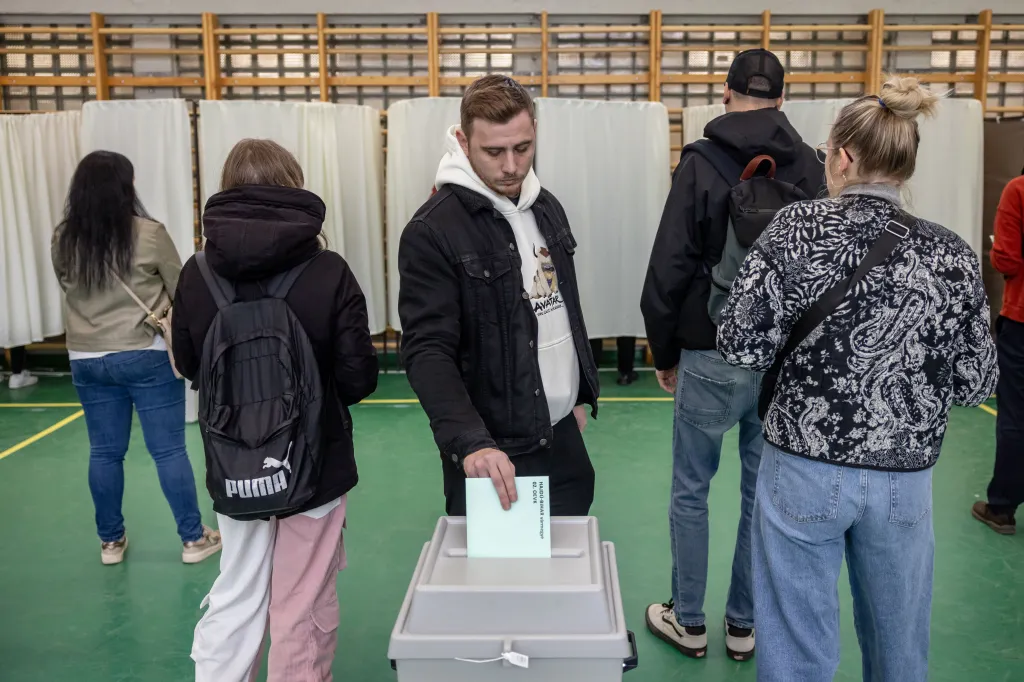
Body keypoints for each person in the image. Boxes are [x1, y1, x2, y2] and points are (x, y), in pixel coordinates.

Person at [717, 76, 998, 681]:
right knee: (899, 648)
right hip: (904, 478)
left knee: (796, 649)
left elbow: (739, 342)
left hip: (802, 464)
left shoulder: (794, 231)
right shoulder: (950, 254)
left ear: (842, 157)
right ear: (905, 162)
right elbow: (976, 382)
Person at [640, 48, 823, 661]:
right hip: (780, 359)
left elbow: (669, 265)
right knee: (759, 493)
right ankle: (744, 624)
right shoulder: (813, 166)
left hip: (710, 349)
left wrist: (665, 351)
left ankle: (687, 620)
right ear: (780, 99)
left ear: (725, 94)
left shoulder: (701, 162)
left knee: (692, 489)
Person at [175, 139, 378, 682]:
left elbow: (192, 366)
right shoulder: (329, 270)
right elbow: (359, 379)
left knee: (235, 589)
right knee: (301, 599)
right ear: (294, 184)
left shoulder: (197, 273)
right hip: (316, 465)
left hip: (235, 463)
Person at [398, 75, 599, 516]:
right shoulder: (433, 231)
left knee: (565, 576)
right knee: (503, 583)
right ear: (464, 143)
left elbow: (561, 310)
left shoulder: (545, 205)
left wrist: (575, 396)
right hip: (495, 454)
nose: (511, 165)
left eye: (522, 148)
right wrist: (471, 442)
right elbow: (427, 351)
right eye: (494, 152)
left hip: (562, 438)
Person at [50, 150, 221, 566]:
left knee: (104, 452)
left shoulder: (63, 238)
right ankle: (193, 539)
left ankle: (110, 542)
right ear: (125, 187)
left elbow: (66, 285)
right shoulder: (148, 233)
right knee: (168, 451)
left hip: (86, 357)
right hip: (145, 353)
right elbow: (183, 286)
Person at [973, 168, 1024, 534]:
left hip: (1022, 321)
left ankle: (1002, 508)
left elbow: (1005, 260)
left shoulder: (1018, 190)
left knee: (1016, 417)